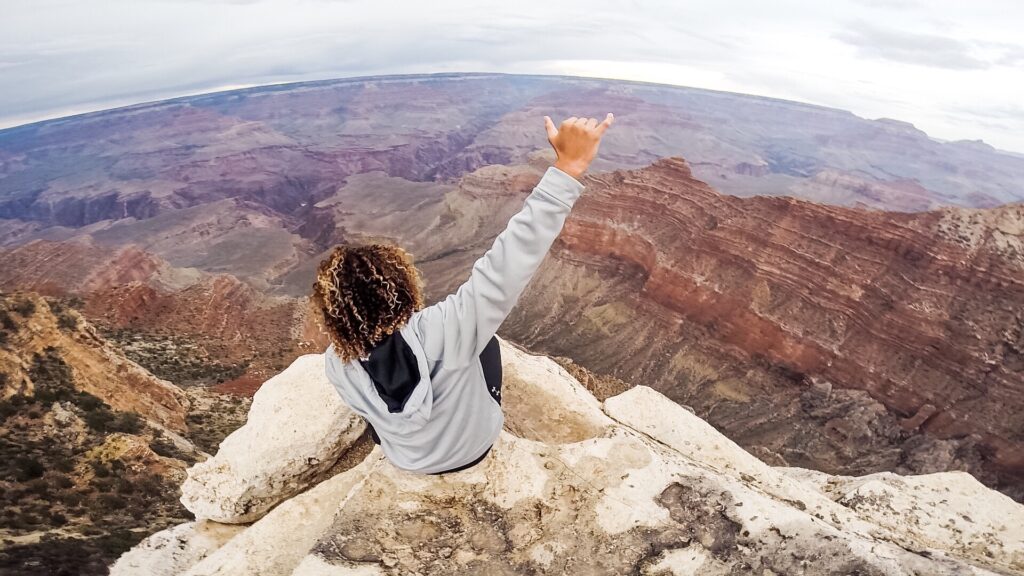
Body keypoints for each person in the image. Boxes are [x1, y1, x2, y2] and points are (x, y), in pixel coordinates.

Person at [313, 113, 615, 475]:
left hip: (408, 460)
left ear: (335, 314)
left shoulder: (336, 363)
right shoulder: (448, 327)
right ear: (401, 285)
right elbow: (513, 256)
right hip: (472, 449)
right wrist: (569, 167)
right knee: (485, 342)